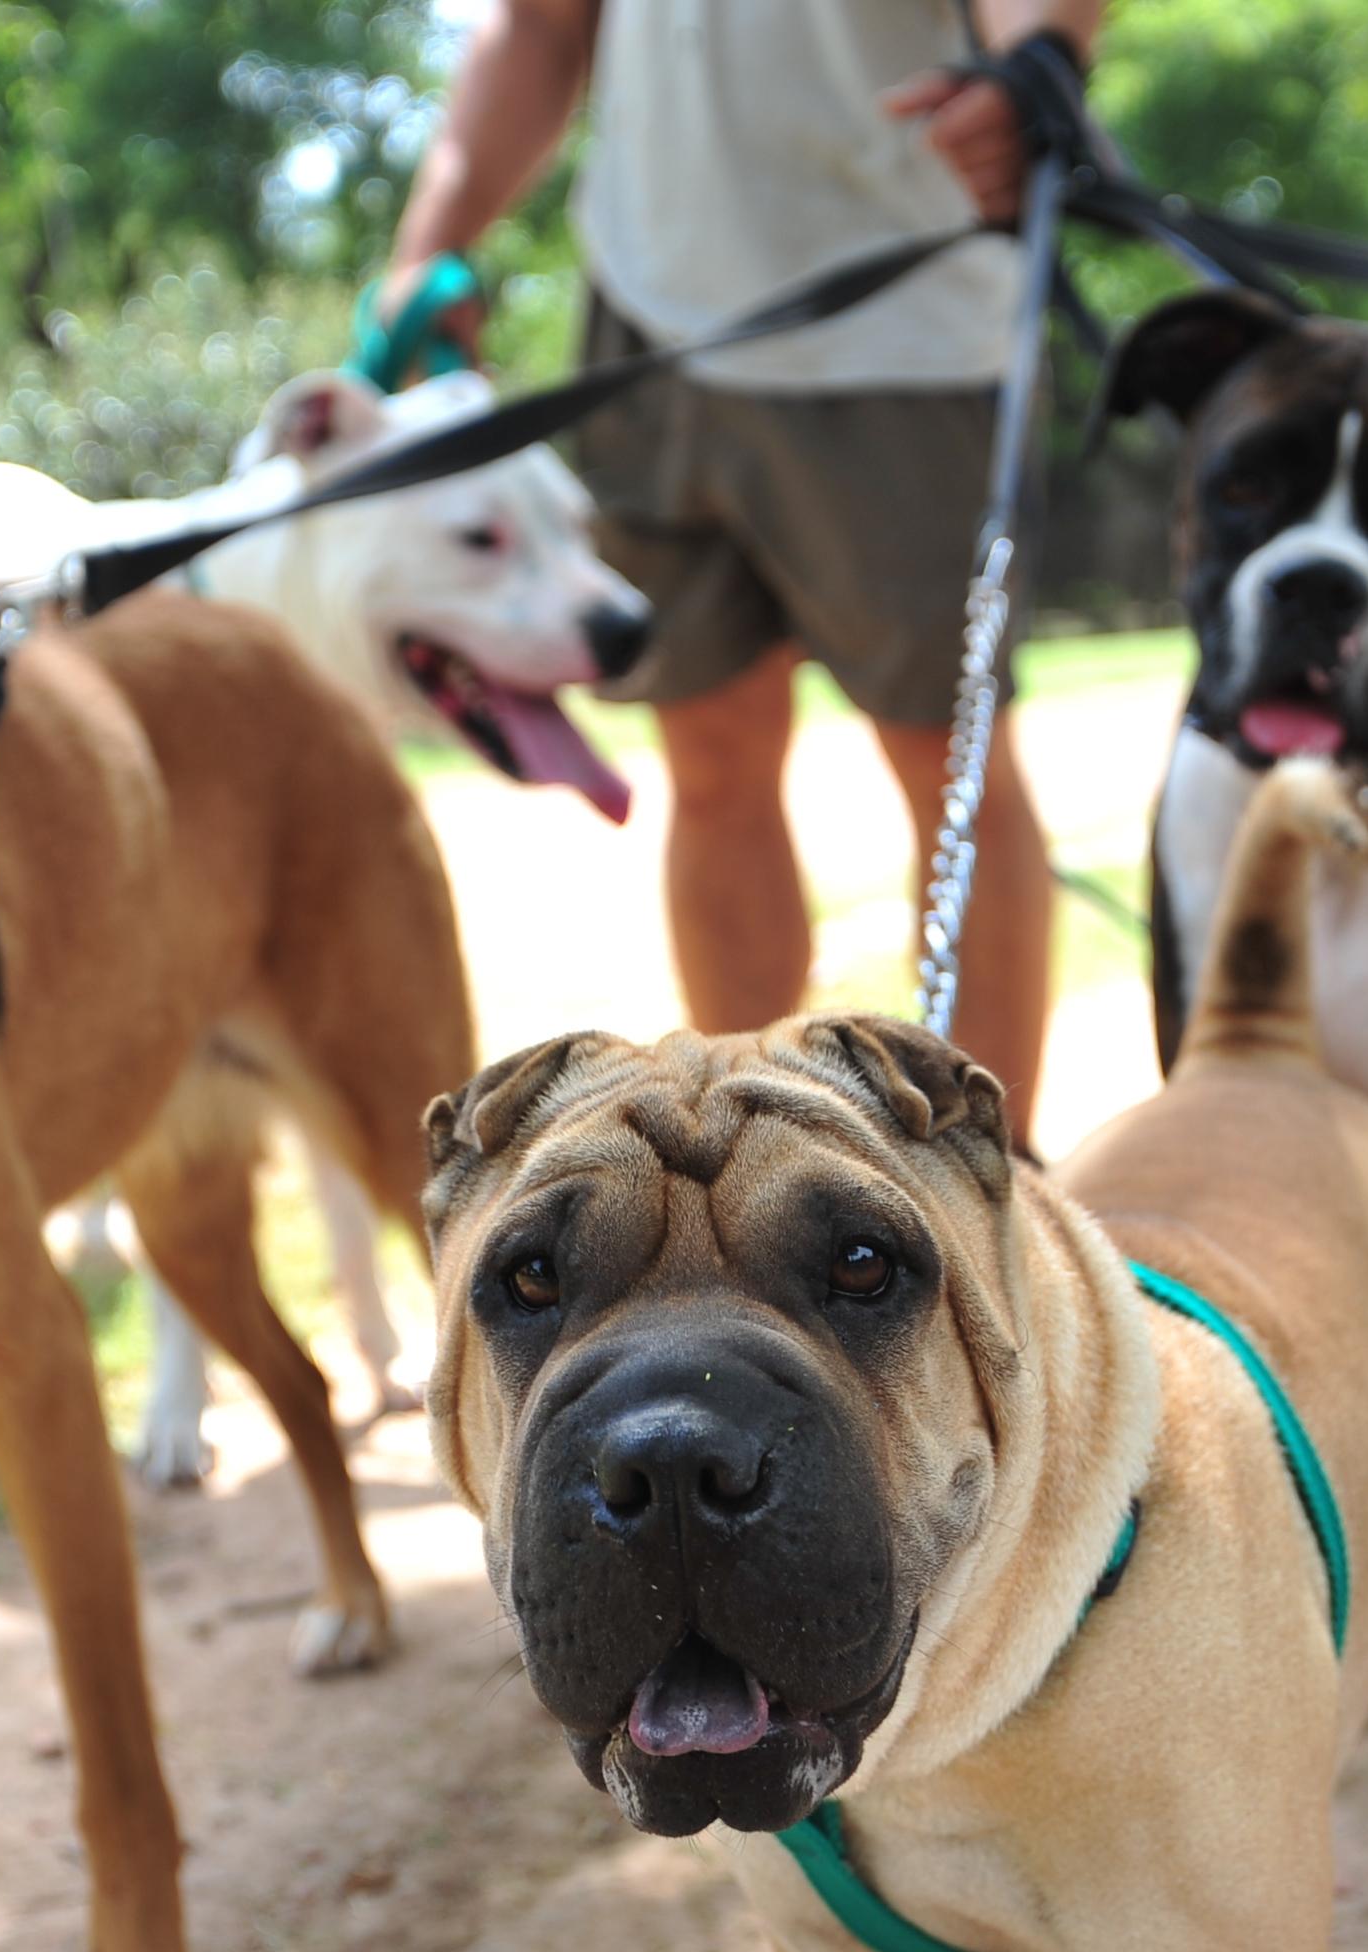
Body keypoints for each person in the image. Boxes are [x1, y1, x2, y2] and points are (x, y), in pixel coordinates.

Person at [370, 0, 1099, 1145]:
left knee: (947, 770)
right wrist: (430, 245)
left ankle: (987, 1201)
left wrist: (1039, 56)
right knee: (706, 764)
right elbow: (541, 24)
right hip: (650, 319)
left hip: (899, 321)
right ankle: (750, 1176)